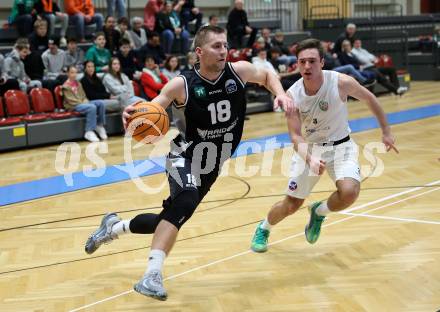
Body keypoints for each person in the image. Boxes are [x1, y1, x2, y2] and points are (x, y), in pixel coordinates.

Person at [84, 25, 293, 301]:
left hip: (212, 164)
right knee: (185, 201)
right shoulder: (182, 84)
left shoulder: (238, 71)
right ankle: (151, 274)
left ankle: (113, 227)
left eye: (225, 45)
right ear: (199, 51)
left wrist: (280, 92)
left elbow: (266, 74)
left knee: (168, 220)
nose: (223, 50)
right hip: (184, 155)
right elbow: (154, 106)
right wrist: (134, 114)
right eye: (216, 46)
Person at [250, 38, 399, 253]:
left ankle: (318, 212)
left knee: (349, 192)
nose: (307, 66)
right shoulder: (292, 95)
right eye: (302, 62)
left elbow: (370, 99)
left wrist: (386, 132)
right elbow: (295, 136)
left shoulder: (341, 82)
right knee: (291, 205)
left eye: (312, 61)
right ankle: (264, 228)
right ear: (297, 65)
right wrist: (309, 158)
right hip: (309, 149)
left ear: (322, 62)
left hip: (342, 146)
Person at [62, 65, 107, 142]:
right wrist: (84, 103)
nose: (74, 75)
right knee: (92, 107)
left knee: (101, 103)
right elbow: (71, 100)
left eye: (75, 73)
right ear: (68, 74)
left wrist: (85, 102)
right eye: (72, 73)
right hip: (73, 105)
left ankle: (99, 125)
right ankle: (88, 131)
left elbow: (83, 95)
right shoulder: (65, 86)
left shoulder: (78, 83)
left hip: (83, 103)